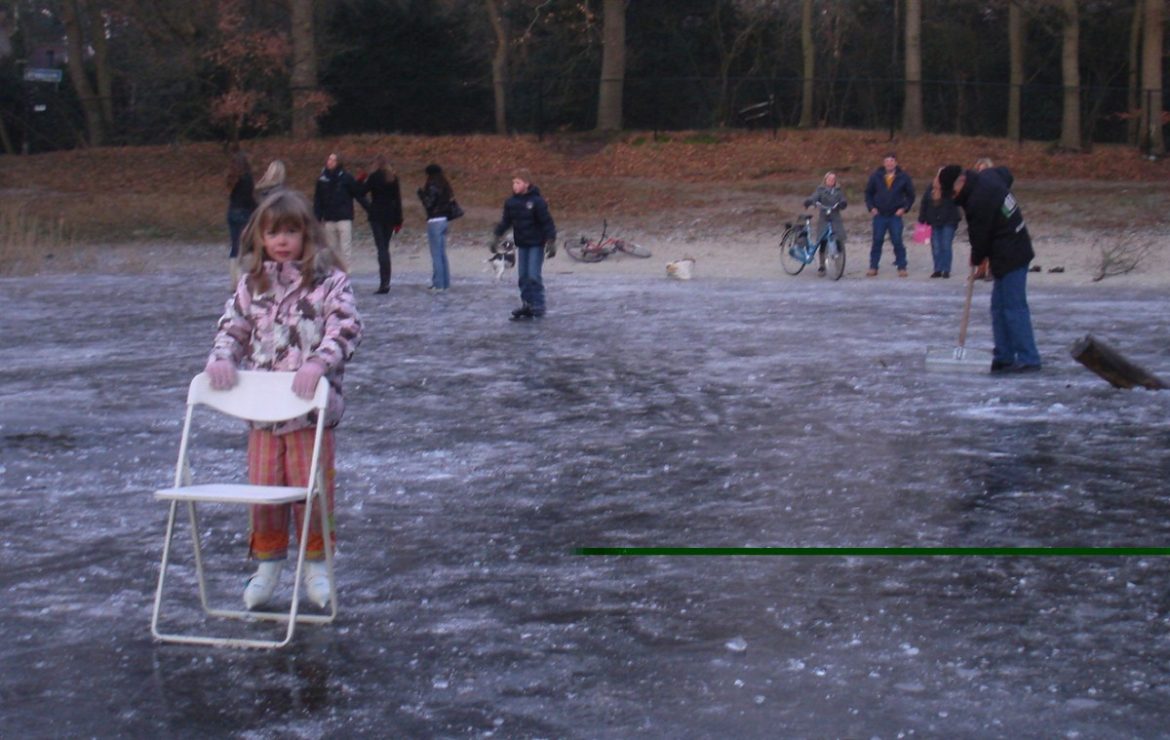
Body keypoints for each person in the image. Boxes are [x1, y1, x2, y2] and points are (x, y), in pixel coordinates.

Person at [204, 188, 363, 609]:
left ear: (307, 234)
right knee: (264, 492)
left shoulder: (331, 282)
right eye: (273, 232)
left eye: (291, 231)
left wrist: (317, 364)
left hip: (311, 413)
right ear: (260, 237)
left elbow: (345, 329)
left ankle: (316, 565)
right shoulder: (250, 284)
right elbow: (233, 329)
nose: (281, 241)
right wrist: (221, 359)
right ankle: (268, 565)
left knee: (311, 491)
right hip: (262, 415)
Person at [940, 164, 1041, 373]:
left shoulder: (979, 200)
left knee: (1014, 308)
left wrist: (976, 257)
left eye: (953, 192)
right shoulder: (988, 176)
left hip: (1012, 253)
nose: (953, 197)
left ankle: (1028, 358)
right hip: (1007, 250)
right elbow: (1006, 173)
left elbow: (981, 238)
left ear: (960, 182)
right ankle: (1004, 355)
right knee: (998, 306)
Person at [491, 168, 557, 319]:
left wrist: (551, 240)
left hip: (536, 243)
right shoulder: (511, 202)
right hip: (522, 243)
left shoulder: (537, 201)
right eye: (513, 182)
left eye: (518, 182)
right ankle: (527, 304)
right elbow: (506, 222)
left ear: (526, 184)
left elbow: (547, 222)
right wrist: (496, 236)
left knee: (533, 275)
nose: (514, 185)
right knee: (523, 277)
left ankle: (538, 304)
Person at [356, 155, 403, 294]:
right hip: (390, 215)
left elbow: (361, 192)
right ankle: (386, 281)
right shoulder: (393, 178)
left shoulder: (374, 177)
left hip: (377, 214)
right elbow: (398, 200)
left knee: (380, 248)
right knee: (385, 248)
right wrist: (399, 220)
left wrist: (360, 179)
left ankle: (383, 284)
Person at [863, 153, 915, 277]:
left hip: (895, 215)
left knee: (897, 240)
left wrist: (904, 208)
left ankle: (901, 266)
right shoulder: (876, 176)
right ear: (884, 163)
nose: (889, 164)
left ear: (895, 163)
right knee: (877, 241)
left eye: (891, 161)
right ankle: (873, 266)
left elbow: (911, 195)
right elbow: (868, 193)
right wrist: (871, 207)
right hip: (879, 214)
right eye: (887, 161)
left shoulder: (903, 177)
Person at [313, 153, 362, 266]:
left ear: (338, 162)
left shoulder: (346, 177)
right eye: (329, 159)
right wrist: (317, 218)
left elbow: (358, 194)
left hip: (344, 218)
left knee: (346, 248)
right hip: (329, 218)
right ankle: (333, 273)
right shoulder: (322, 179)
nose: (330, 162)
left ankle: (346, 272)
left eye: (333, 160)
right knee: (331, 249)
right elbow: (318, 200)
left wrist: (369, 208)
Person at [917, 166, 962, 279]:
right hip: (933, 221)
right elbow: (924, 203)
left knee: (946, 245)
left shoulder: (951, 189)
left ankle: (946, 270)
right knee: (936, 246)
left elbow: (956, 202)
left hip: (949, 221)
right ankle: (937, 269)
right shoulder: (930, 188)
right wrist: (922, 218)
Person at [417, 163, 455, 292]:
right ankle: (445, 283)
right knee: (442, 254)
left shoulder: (432, 185)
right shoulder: (445, 185)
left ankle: (438, 284)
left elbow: (429, 204)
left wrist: (421, 194)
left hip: (434, 221)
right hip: (444, 220)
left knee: (436, 254)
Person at [802, 171, 848, 276]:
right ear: (825, 180)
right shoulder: (820, 190)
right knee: (822, 241)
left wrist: (842, 204)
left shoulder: (838, 191)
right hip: (824, 218)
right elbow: (814, 197)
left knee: (838, 240)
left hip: (836, 218)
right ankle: (822, 266)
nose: (831, 181)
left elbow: (843, 200)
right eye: (829, 179)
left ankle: (839, 266)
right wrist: (809, 201)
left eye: (833, 179)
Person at [225, 151, 256, 287]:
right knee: (245, 246)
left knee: (234, 245)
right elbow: (248, 198)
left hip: (231, 212)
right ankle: (242, 280)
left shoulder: (232, 178)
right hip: (244, 213)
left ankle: (234, 280)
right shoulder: (247, 178)